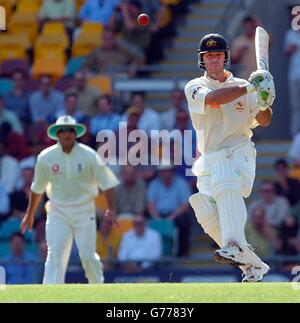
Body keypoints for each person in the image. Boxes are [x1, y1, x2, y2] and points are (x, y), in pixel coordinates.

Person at [185, 33, 276, 282]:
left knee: (225, 173)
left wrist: (266, 99)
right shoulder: (195, 86)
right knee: (202, 206)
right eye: (209, 56)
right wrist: (251, 86)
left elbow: (264, 120)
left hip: (240, 153)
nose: (214, 60)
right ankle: (253, 265)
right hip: (209, 157)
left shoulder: (245, 86)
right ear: (202, 60)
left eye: (218, 55)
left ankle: (234, 245)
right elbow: (214, 100)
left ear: (225, 57)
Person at [20, 115, 120, 284]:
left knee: (88, 255)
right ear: (57, 134)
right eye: (63, 131)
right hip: (57, 211)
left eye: (70, 131)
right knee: (55, 254)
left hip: (84, 210)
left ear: (76, 133)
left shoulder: (89, 156)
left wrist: (111, 209)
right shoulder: (46, 157)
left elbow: (107, 183)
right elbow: (37, 188)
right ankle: (51, 295)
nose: (67, 134)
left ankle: (99, 290)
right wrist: (29, 214)